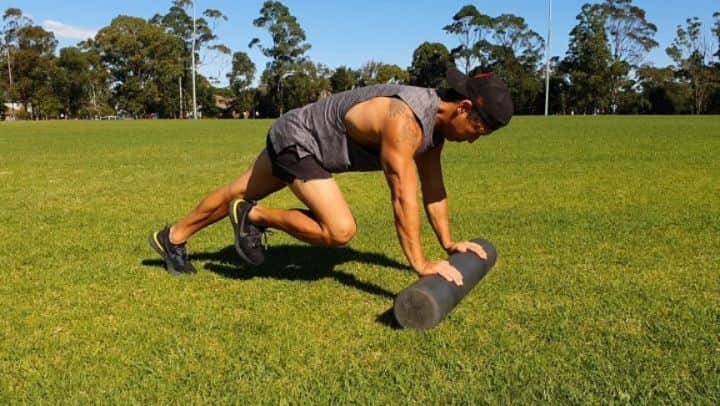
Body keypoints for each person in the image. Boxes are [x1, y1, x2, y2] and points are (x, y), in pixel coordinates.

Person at [149, 67, 513, 286]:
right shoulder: (406, 120)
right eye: (478, 130)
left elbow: (434, 191)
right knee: (341, 230)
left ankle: (173, 237)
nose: (474, 140)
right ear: (464, 109)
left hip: (298, 135)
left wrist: (449, 245)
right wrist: (420, 264)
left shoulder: (434, 132)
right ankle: (253, 215)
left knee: (238, 189)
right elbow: (404, 196)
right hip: (299, 142)